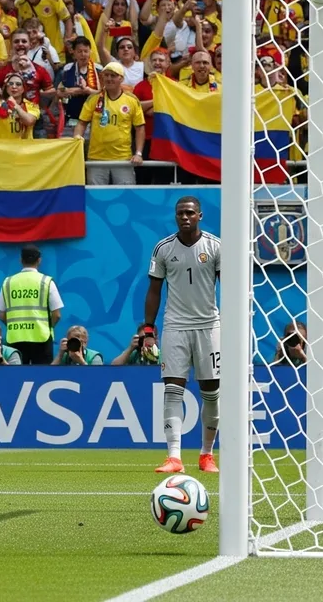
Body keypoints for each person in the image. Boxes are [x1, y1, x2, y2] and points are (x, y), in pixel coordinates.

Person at [144, 196, 221, 474]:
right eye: (180, 213)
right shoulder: (163, 248)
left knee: (211, 393)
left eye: (189, 213)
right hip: (175, 326)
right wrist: (148, 330)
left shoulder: (215, 246)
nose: (184, 217)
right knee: (173, 390)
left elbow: (229, 286)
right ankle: (174, 457)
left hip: (209, 326)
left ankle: (206, 455)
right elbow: (154, 290)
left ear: (200, 215)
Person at [74, 62, 146, 185]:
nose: (109, 79)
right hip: (96, 158)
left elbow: (140, 128)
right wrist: (77, 137)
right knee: (96, 195)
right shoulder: (93, 98)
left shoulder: (132, 100)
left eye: (113, 75)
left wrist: (138, 153)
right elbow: (82, 123)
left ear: (121, 78)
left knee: (125, 194)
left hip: (123, 158)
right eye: (106, 75)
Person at [0, 244, 64, 365]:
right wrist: (47, 328)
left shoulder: (8, 282)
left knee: (16, 375)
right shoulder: (46, 281)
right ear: (39, 260)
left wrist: (15, 326)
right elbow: (57, 315)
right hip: (42, 338)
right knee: (42, 374)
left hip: (16, 338)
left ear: (21, 260)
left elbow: (1, 315)